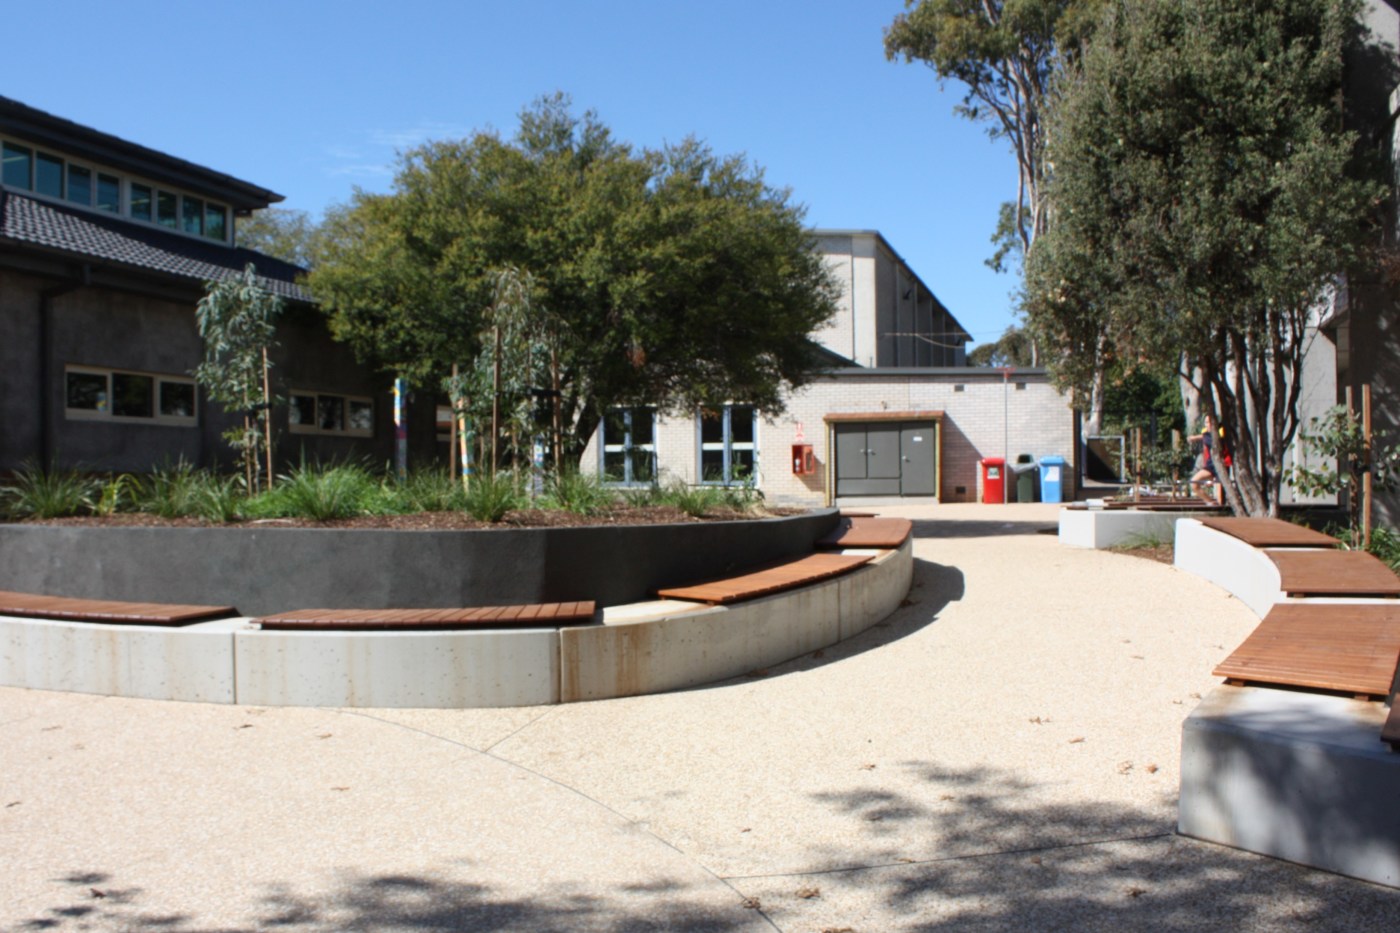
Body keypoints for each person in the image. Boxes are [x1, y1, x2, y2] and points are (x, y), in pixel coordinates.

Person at [1188, 413, 1222, 502]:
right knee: (1193, 482)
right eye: (1206, 422)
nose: (1208, 424)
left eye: (1210, 422)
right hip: (1211, 465)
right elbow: (1203, 436)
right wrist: (1194, 438)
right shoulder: (1206, 434)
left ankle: (1219, 506)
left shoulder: (1221, 433)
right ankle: (1210, 502)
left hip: (1222, 465)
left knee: (1220, 496)